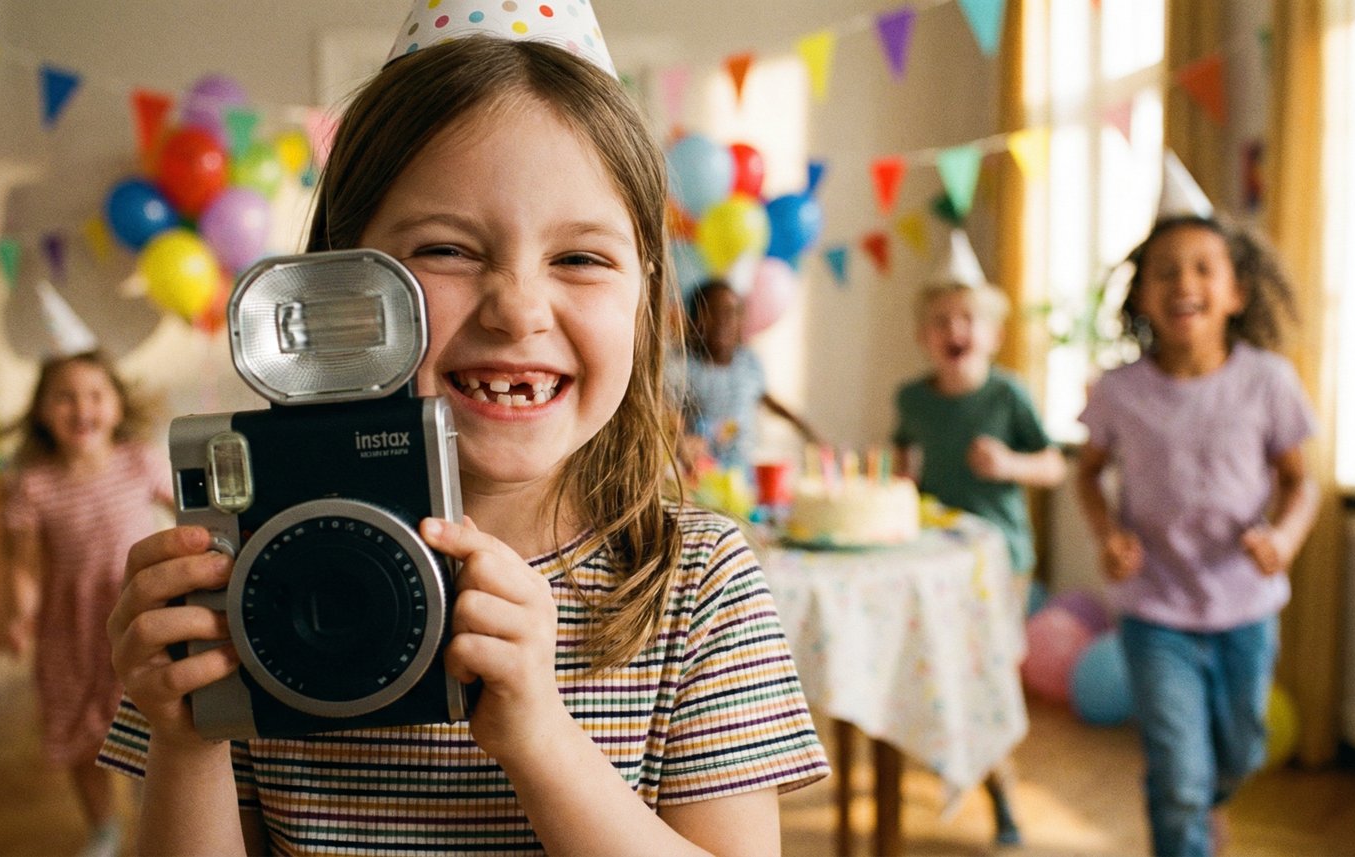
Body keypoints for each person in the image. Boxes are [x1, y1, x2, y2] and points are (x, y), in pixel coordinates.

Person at [97, 11, 829, 855]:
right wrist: (188, 738)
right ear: (336, 281)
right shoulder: (250, 575)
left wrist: (541, 739)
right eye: (446, 249)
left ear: (646, 295)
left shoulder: (698, 589)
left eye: (581, 258)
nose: (517, 308)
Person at [1075, 213, 1317, 857]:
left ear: (1236, 293)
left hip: (1245, 604)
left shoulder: (1269, 380)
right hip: (1154, 606)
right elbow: (1087, 475)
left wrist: (1285, 538)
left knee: (1242, 750)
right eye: (1165, 271)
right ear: (1142, 295)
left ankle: (1204, 803)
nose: (1184, 282)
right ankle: (1185, 819)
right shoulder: (1119, 391)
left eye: (1203, 268)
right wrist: (1108, 533)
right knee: (1179, 771)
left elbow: (1301, 482)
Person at [890, 261, 1066, 846]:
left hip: (1000, 559)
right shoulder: (912, 396)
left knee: (985, 675)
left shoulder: (1008, 393)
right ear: (922, 337)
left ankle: (1002, 794)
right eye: (941, 320)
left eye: (968, 318)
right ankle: (962, 766)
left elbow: (1054, 465)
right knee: (940, 670)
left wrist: (1010, 464)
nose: (954, 328)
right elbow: (899, 462)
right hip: (935, 558)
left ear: (991, 334)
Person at [3, 349, 171, 857]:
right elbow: (25, 564)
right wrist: (20, 613)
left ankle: (154, 823)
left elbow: (192, 510)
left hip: (139, 618)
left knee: (149, 726)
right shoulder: (33, 484)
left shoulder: (139, 460)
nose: (82, 409)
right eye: (65, 398)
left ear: (118, 405)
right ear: (41, 411)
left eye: (96, 395)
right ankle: (102, 827)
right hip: (69, 632)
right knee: (80, 735)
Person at [672, 278, 819, 475]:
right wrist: (680, 443)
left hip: (742, 475)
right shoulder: (682, 366)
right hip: (697, 477)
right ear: (694, 318)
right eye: (712, 312)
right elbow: (668, 415)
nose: (722, 321)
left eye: (730, 313)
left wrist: (804, 428)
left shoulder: (749, 362)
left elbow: (765, 398)